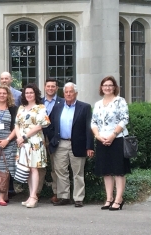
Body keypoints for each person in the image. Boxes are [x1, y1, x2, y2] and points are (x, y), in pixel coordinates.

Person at [47, 82, 94, 207]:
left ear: (76, 93)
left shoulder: (84, 107)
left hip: (77, 144)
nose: (68, 94)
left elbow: (89, 128)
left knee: (78, 172)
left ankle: (78, 198)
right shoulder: (58, 106)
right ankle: (63, 196)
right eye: (66, 92)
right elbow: (49, 124)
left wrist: (89, 146)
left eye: (71, 91)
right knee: (60, 171)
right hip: (60, 143)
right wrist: (53, 139)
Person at [91, 76, 130, 211]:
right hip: (102, 140)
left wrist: (113, 135)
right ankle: (109, 198)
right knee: (106, 171)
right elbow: (93, 122)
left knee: (118, 171)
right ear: (101, 88)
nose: (107, 87)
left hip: (118, 139)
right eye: (105, 85)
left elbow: (125, 119)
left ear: (114, 87)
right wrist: (98, 136)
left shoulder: (120, 101)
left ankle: (119, 199)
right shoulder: (98, 104)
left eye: (110, 85)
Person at [14, 83, 51, 208]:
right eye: (27, 93)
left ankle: (34, 196)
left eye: (31, 92)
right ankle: (30, 195)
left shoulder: (40, 108)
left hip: (34, 141)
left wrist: (25, 136)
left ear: (35, 94)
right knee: (27, 169)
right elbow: (16, 124)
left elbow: (40, 125)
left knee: (34, 168)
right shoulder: (21, 108)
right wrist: (19, 137)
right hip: (23, 143)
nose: (29, 95)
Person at [41, 78, 64, 203]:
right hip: (39, 139)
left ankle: (57, 192)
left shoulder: (63, 102)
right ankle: (36, 192)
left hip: (55, 139)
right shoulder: (38, 102)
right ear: (45, 87)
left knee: (56, 168)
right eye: (48, 86)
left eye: (53, 86)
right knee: (38, 167)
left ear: (56, 88)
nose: (50, 88)